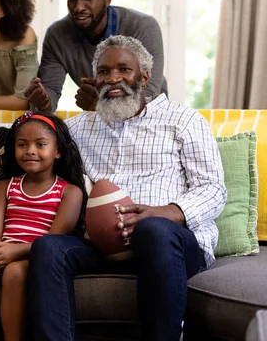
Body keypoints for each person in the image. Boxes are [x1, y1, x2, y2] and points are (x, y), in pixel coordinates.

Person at [24, 36, 227, 341]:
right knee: (49, 247)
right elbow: (24, 136)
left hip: (168, 243)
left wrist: (165, 213)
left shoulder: (183, 120)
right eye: (104, 72)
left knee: (153, 230)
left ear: (144, 76)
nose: (113, 78)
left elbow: (213, 189)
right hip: (103, 245)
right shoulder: (82, 127)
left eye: (124, 69)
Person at [0, 111, 87, 341]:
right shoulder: (5, 187)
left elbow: (54, 241)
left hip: (33, 257)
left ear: (57, 151)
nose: (30, 151)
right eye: (22, 144)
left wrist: (14, 253)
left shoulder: (69, 192)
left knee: (15, 273)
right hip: (1, 252)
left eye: (40, 144)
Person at [25, 0, 168, 113]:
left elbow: (149, 95)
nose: (78, 7)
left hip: (151, 119)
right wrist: (43, 101)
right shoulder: (58, 35)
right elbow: (50, 96)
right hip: (99, 120)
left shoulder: (142, 26)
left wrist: (101, 104)